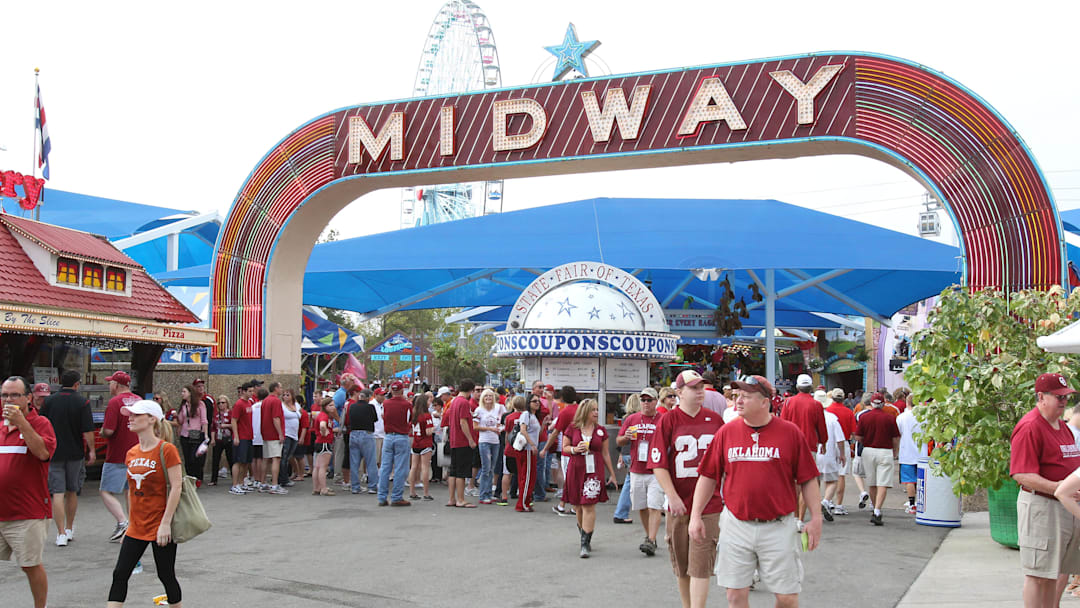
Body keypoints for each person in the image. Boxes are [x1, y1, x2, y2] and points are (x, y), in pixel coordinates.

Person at [690, 374, 823, 608]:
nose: (738, 401)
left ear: (765, 402)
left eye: (746, 396)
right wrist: (695, 515)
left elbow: (808, 479)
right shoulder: (726, 432)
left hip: (778, 526)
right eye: (736, 395)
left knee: (787, 597)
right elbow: (708, 476)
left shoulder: (790, 433)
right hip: (736, 523)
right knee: (734, 595)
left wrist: (816, 517)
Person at [648, 370, 724, 608]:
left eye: (701, 387)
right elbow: (658, 464)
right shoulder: (668, 421)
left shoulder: (715, 420)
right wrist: (672, 496)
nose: (699, 391)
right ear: (679, 392)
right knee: (683, 567)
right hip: (679, 503)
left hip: (709, 504)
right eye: (693, 388)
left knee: (700, 566)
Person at [105, 399, 182, 608]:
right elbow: (130, 490)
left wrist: (166, 524)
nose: (129, 418)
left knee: (166, 576)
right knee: (120, 574)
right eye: (129, 414)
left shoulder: (167, 450)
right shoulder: (131, 453)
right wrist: (129, 523)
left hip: (160, 526)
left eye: (135, 415)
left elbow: (176, 487)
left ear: (151, 419)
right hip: (136, 527)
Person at [1012, 373, 1080, 607]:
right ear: (1041, 396)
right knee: (1038, 574)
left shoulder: (1063, 426)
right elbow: (1021, 474)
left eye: (1066, 397)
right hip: (1042, 507)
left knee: (1054, 572)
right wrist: (1058, 488)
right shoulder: (1031, 426)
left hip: (1064, 507)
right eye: (1058, 396)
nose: (1063, 401)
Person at [1, 376, 57, 608]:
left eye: (15, 395)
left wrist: (22, 423)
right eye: (5, 395)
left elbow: (43, 453)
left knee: (30, 565)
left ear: (28, 398)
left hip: (28, 512)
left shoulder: (40, 423)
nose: (9, 400)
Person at [40, 370, 95, 546]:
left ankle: (60, 533)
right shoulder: (82, 402)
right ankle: (70, 528)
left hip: (53, 452)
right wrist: (92, 450)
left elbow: (41, 425)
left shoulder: (48, 401)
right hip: (75, 453)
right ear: (77, 384)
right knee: (72, 490)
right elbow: (87, 430)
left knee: (57, 492)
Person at [562, 399, 617, 558]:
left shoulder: (600, 431)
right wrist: (574, 449)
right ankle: (584, 535)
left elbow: (605, 453)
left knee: (588, 505)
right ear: (585, 411)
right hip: (576, 468)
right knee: (578, 506)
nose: (596, 412)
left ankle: (585, 543)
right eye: (593, 409)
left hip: (594, 469)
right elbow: (564, 448)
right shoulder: (572, 428)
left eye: (597, 409)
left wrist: (612, 474)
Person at [617, 388, 665, 555]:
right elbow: (619, 440)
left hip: (656, 470)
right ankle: (649, 536)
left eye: (649, 400)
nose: (646, 403)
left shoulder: (663, 419)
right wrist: (626, 438)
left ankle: (651, 539)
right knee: (642, 506)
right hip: (636, 468)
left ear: (656, 401)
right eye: (643, 400)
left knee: (654, 506)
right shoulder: (632, 419)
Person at [780, 374, 828, 527]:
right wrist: (824, 442)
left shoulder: (788, 403)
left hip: (790, 446)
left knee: (792, 482)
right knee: (806, 482)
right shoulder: (816, 405)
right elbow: (821, 428)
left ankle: (793, 517)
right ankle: (800, 518)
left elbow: (781, 424)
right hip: (809, 446)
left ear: (797, 387)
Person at [100, 371, 140, 542]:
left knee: (106, 491)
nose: (109, 386)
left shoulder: (114, 402)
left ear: (116, 385)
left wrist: (101, 432)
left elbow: (108, 430)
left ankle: (122, 522)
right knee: (130, 491)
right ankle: (133, 526)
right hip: (138, 453)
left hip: (117, 455)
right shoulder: (139, 400)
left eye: (111, 383)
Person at [853, 393, 900, 525]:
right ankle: (878, 510)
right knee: (883, 483)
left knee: (872, 482)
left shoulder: (864, 417)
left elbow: (858, 437)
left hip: (868, 450)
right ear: (883, 403)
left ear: (872, 403)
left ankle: (874, 507)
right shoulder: (890, 418)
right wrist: (895, 451)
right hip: (885, 451)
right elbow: (895, 437)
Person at [540, 385, 580, 516]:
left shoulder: (565, 412)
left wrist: (545, 448)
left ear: (562, 397)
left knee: (569, 478)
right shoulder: (581, 409)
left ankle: (569, 506)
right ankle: (567, 505)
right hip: (581, 448)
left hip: (567, 449)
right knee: (575, 479)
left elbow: (555, 432)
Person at [377, 381, 413, 507]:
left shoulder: (386, 403)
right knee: (400, 468)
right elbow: (410, 420)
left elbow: (384, 417)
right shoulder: (407, 405)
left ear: (391, 391)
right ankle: (397, 496)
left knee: (385, 467)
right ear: (402, 391)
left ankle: (382, 497)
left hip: (388, 436)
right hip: (401, 436)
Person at [446, 380, 478, 508]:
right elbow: (463, 422)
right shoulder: (464, 402)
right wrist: (470, 439)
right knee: (462, 472)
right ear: (470, 390)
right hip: (462, 441)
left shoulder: (454, 401)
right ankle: (460, 499)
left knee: (453, 471)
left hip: (454, 440)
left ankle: (452, 498)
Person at [825, 388, 856, 515]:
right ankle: (839, 504)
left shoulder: (827, 411)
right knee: (841, 474)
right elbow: (854, 432)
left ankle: (828, 500)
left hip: (829, 443)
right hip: (844, 442)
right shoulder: (848, 412)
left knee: (829, 472)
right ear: (843, 398)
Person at [612, 393, 641, 525]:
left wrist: (621, 455)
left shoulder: (625, 419)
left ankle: (621, 512)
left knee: (630, 482)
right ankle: (621, 512)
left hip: (626, 453)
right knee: (630, 484)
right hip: (634, 454)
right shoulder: (638, 419)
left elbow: (621, 439)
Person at [474, 388, 505, 504]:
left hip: (495, 441)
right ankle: (483, 495)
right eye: (486, 396)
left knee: (492, 468)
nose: (488, 398)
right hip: (484, 441)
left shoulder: (498, 408)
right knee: (485, 468)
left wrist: (500, 428)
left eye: (490, 396)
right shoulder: (479, 410)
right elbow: (475, 427)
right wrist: (489, 429)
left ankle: (488, 493)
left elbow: (501, 421)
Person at [511, 395, 540, 512]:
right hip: (527, 449)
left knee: (530, 477)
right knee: (527, 477)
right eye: (534, 401)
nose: (537, 403)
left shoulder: (533, 416)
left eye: (538, 401)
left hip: (531, 450)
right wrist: (532, 444)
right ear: (529, 403)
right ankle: (522, 503)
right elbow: (523, 430)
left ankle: (526, 502)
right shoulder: (526, 415)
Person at [176, 385, 208, 487]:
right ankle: (189, 479)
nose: (182, 394)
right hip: (185, 434)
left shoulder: (200, 404)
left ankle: (197, 477)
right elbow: (181, 421)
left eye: (184, 391)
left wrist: (205, 434)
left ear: (190, 393)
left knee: (194, 457)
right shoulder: (184, 405)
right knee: (187, 458)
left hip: (196, 432)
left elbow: (204, 420)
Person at [347, 389, 378, 494]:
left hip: (353, 433)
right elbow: (375, 419)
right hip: (367, 434)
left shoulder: (352, 406)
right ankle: (372, 486)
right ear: (368, 397)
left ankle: (355, 486)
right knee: (370, 462)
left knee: (354, 462)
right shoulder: (370, 407)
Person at [895, 399, 923, 514]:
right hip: (922, 452)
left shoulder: (901, 417)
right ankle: (922, 503)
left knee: (910, 480)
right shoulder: (924, 417)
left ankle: (912, 504)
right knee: (921, 480)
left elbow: (898, 434)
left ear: (907, 403)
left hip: (906, 452)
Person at [260, 382, 287, 495]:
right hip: (274, 434)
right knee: (276, 458)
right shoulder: (276, 401)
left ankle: (262, 483)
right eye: (280, 387)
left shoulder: (265, 400)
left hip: (265, 433)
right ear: (276, 389)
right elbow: (276, 418)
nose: (281, 389)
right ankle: (275, 485)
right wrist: (280, 433)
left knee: (266, 459)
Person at [228, 382, 255, 496]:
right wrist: (236, 436)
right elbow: (234, 420)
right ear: (243, 391)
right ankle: (234, 485)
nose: (252, 393)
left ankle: (241, 482)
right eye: (249, 391)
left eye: (252, 391)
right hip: (241, 437)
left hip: (249, 436)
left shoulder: (249, 403)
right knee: (238, 461)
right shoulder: (239, 404)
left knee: (245, 462)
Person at [408, 393, 435, 500]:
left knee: (414, 467)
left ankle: (412, 491)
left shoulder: (414, 415)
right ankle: (426, 493)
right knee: (425, 467)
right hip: (425, 443)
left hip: (416, 442)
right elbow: (428, 432)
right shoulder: (427, 416)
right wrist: (434, 429)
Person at [312, 399, 338, 496]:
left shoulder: (323, 415)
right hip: (324, 443)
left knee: (318, 466)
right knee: (323, 467)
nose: (333, 407)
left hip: (320, 442)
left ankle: (316, 488)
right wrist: (324, 431)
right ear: (325, 406)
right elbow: (322, 425)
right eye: (330, 405)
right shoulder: (324, 416)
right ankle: (323, 489)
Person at [278, 388, 302, 487]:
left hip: (294, 434)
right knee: (284, 456)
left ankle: (284, 477)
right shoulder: (281, 406)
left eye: (288, 395)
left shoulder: (296, 405)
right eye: (284, 395)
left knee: (288, 457)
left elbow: (300, 415)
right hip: (286, 433)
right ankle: (282, 479)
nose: (285, 397)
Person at [209, 394, 233, 487]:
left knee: (231, 459)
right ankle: (213, 479)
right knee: (215, 459)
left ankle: (234, 478)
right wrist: (212, 438)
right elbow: (213, 428)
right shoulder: (216, 415)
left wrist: (226, 425)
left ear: (227, 403)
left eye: (223, 402)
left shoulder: (231, 413)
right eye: (219, 403)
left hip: (228, 438)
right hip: (218, 439)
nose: (221, 405)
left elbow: (234, 425)